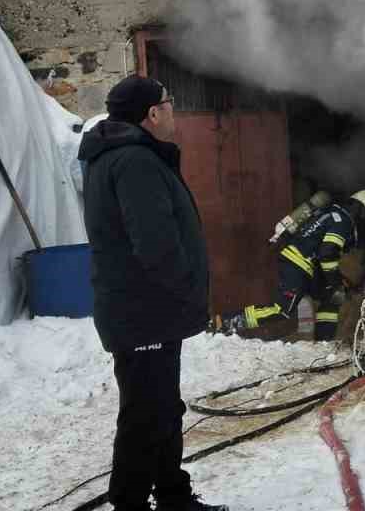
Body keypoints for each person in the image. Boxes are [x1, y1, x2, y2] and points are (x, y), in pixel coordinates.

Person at [78, 76, 227, 511]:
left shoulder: (125, 157)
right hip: (143, 311)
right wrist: (188, 290)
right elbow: (155, 244)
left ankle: (173, 497)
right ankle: (129, 503)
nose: (173, 110)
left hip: (148, 310)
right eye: (169, 102)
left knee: (163, 408)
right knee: (145, 416)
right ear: (152, 113)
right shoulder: (134, 161)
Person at [214, 189, 365, 342]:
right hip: (298, 262)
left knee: (331, 297)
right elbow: (327, 252)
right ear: (362, 211)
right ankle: (225, 322)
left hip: (306, 264)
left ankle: (324, 343)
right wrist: (335, 280)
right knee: (282, 310)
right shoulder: (343, 221)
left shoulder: (331, 212)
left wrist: (335, 284)